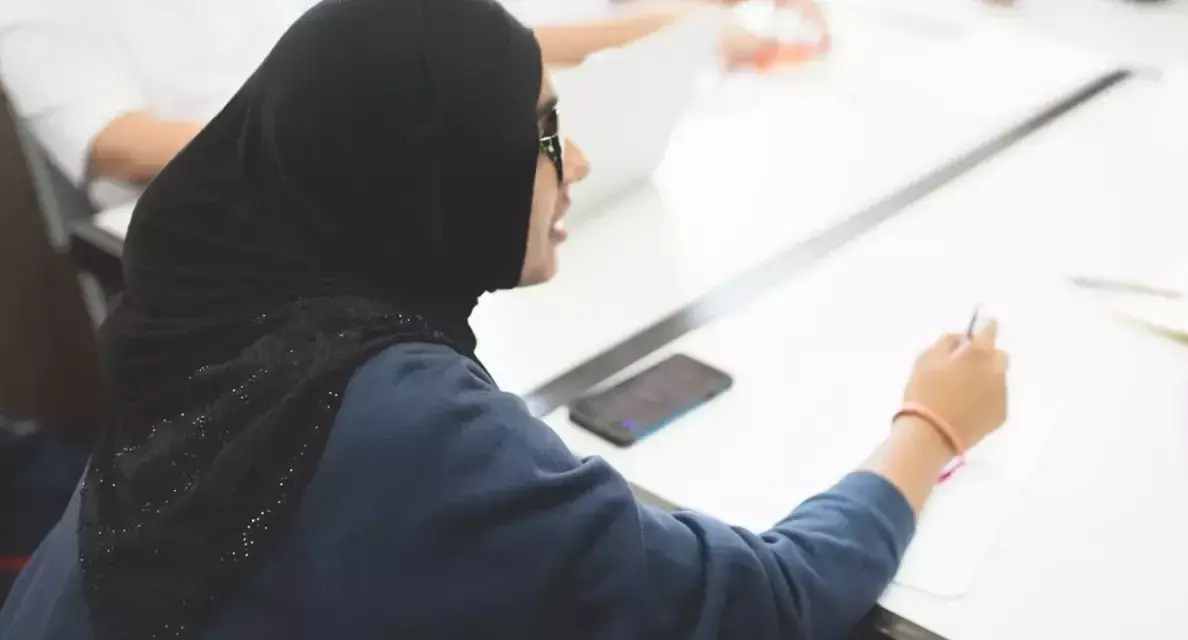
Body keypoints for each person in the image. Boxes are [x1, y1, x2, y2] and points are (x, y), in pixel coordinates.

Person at [0, 0, 1007, 638]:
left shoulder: (225, 320)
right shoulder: (411, 428)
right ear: (429, 172)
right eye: (538, 134)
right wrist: (928, 425)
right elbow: (767, 604)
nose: (572, 164)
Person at [0, 0, 824, 210]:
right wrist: (348, 132)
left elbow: (467, 34)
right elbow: (116, 140)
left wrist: (697, 23)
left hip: (388, 183)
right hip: (224, 225)